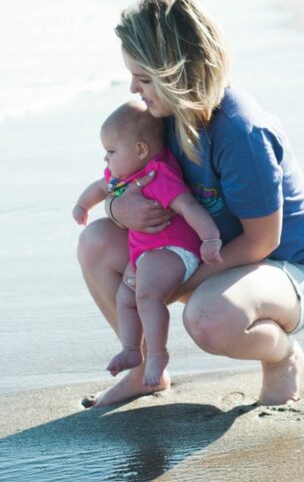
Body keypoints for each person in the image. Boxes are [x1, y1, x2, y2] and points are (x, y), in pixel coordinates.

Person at [77, 0, 304, 408]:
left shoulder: (240, 131)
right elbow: (118, 181)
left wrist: (171, 286)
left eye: (144, 78)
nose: (133, 88)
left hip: (289, 268)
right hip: (204, 252)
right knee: (95, 242)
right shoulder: (157, 117)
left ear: (176, 73)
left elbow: (261, 242)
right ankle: (145, 371)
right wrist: (116, 207)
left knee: (207, 319)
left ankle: (282, 355)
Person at [73, 101, 224, 386]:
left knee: (146, 295)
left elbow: (189, 206)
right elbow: (99, 188)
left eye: (111, 152)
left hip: (173, 249)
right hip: (145, 253)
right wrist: (83, 206)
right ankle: (132, 351)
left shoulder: (157, 174)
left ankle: (157, 354)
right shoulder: (123, 176)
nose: (106, 160)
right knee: (125, 298)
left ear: (140, 150)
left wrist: (210, 238)